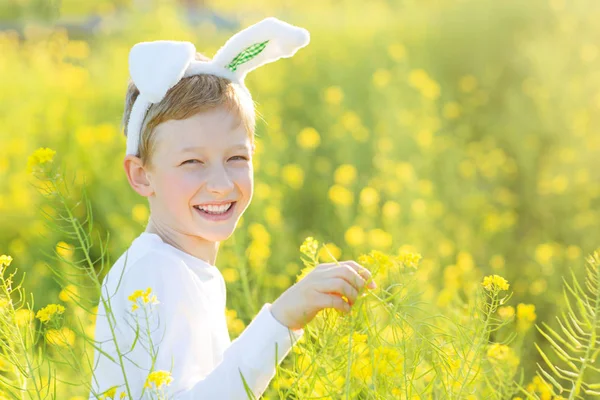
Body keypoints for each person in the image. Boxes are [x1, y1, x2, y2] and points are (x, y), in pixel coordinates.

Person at [88, 17, 377, 400]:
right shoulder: (155, 274)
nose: (222, 183)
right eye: (192, 162)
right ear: (142, 176)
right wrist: (282, 318)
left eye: (237, 157)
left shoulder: (182, 267)